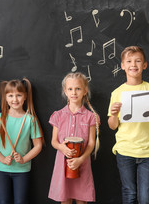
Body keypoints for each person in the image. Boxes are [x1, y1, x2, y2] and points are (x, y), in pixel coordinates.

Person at [107, 46, 149, 204]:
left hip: (148, 151)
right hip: (125, 150)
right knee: (130, 194)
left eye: (138, 61)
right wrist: (113, 114)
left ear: (144, 65)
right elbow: (112, 126)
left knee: (146, 198)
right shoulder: (117, 93)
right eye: (129, 61)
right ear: (122, 65)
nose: (134, 64)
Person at [0, 78, 44, 204]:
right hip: (2, 168)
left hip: (22, 170)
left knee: (21, 201)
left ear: (25, 97)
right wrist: (2, 159)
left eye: (19, 95)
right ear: (5, 98)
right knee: (2, 202)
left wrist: (24, 159)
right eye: (11, 95)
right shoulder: (0, 117)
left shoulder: (30, 119)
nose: (15, 99)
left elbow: (38, 145)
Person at [48, 72, 100, 204]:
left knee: (82, 200)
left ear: (85, 91)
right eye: (70, 89)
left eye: (78, 88)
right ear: (65, 91)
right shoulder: (58, 115)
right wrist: (62, 148)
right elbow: (54, 141)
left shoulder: (91, 117)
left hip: (82, 164)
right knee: (65, 199)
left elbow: (91, 143)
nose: (74, 92)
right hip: (63, 164)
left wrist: (81, 159)